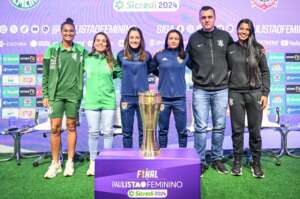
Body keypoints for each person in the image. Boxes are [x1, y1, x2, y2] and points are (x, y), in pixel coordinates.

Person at [186, 6, 233, 175]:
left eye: (209, 17)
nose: (206, 20)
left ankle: (217, 158)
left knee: (219, 126)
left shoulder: (225, 37)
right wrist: (201, 73)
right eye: (203, 17)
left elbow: (235, 56)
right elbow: (187, 61)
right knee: (200, 127)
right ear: (200, 19)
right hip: (201, 90)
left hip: (221, 89)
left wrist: (257, 48)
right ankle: (199, 160)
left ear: (215, 18)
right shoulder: (193, 38)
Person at [42, 18, 88, 179]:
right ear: (61, 32)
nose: (68, 33)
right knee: (54, 127)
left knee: (71, 126)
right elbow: (46, 74)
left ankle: (69, 162)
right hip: (55, 95)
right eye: (66, 31)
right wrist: (45, 94)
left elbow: (96, 62)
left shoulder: (81, 51)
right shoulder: (52, 50)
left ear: (75, 33)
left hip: (73, 95)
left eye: (71, 31)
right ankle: (55, 163)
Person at [227, 19, 270, 178]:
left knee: (255, 131)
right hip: (235, 94)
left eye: (247, 29)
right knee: (237, 131)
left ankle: (256, 163)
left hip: (254, 94)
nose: (243, 32)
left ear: (251, 32)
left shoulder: (258, 49)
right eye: (241, 29)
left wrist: (265, 93)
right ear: (237, 30)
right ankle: (237, 162)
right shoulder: (230, 48)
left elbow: (265, 72)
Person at [83, 32, 121, 176]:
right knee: (93, 132)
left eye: (103, 41)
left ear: (107, 44)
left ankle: (107, 162)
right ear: (93, 43)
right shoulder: (86, 59)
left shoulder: (112, 60)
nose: (100, 43)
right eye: (98, 41)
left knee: (107, 132)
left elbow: (121, 74)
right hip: (91, 101)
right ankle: (93, 162)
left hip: (108, 101)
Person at [151, 29, 189, 148]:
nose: (173, 41)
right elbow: (151, 68)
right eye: (171, 38)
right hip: (163, 99)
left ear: (180, 41)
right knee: (162, 131)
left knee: (182, 131)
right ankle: (163, 156)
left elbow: (197, 67)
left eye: (176, 39)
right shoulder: (159, 55)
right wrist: (161, 75)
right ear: (167, 40)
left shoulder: (185, 55)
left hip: (180, 99)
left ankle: (183, 156)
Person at [117, 27, 152, 148]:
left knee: (144, 132)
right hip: (127, 98)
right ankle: (128, 161)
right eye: (132, 37)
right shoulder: (121, 55)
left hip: (143, 98)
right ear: (128, 39)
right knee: (127, 133)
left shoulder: (147, 56)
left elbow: (151, 70)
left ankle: (143, 159)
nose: (134, 40)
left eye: (137, 37)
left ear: (141, 39)